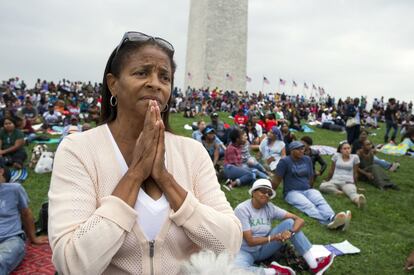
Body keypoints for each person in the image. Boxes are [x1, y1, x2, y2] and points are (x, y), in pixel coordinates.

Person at [48, 31, 242, 275]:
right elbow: (72, 263)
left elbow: (230, 244)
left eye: (164, 77)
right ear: (113, 84)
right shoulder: (79, 150)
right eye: (141, 72)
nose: (155, 83)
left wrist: (165, 178)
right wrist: (136, 173)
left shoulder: (192, 152)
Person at [233, 179, 335, 275]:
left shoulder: (270, 207)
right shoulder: (242, 209)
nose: (266, 194)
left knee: (290, 222)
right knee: (234, 270)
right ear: (253, 192)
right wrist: (274, 237)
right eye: (263, 191)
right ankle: (274, 272)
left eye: (269, 193)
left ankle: (314, 264)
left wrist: (290, 232)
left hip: (264, 248)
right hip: (245, 251)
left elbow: (299, 220)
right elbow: (250, 241)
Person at [273, 141, 351, 230]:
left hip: (307, 189)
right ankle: (330, 222)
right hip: (292, 192)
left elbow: (311, 176)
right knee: (308, 205)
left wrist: (310, 187)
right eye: (298, 149)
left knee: (320, 201)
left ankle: (332, 217)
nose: (301, 151)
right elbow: (277, 179)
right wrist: (270, 193)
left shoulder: (307, 159)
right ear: (291, 150)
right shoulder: (284, 161)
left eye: (302, 149)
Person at [0, 162, 48, 274]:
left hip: (11, 238)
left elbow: (26, 213)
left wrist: (33, 238)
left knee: (2, 259)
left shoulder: (14, 190)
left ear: (1, 171)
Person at [320, 141, 366, 208]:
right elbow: (331, 170)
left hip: (347, 182)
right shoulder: (336, 156)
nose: (347, 150)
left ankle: (357, 200)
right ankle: (340, 192)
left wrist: (356, 185)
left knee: (352, 192)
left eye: (348, 148)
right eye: (345, 149)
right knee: (322, 186)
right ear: (341, 150)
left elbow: (355, 173)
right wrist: (327, 180)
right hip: (335, 181)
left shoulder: (355, 157)